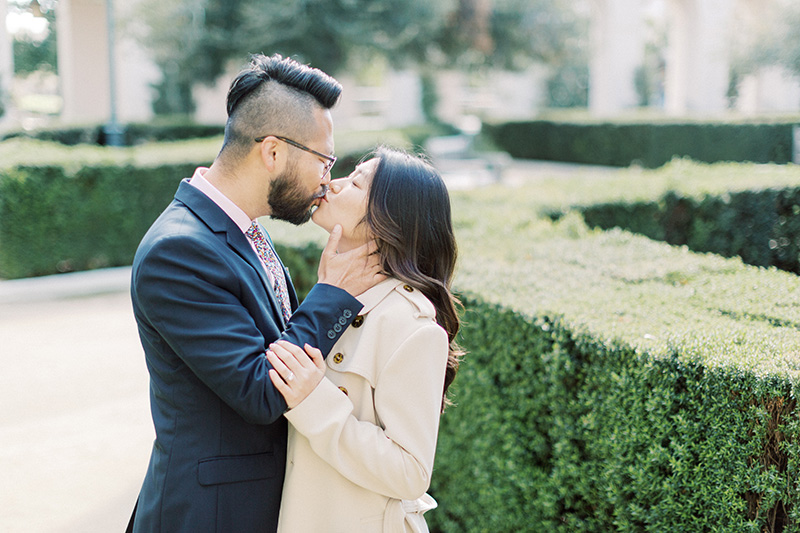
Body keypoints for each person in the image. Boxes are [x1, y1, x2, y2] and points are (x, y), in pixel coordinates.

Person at [128, 54, 382, 532]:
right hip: (211, 516)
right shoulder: (178, 250)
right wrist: (331, 293)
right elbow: (260, 388)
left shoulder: (239, 228)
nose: (327, 178)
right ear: (272, 152)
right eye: (324, 160)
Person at [265, 147, 463, 532]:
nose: (331, 184)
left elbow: (411, 472)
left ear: (388, 219)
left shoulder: (411, 324)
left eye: (355, 182)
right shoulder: (336, 296)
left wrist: (314, 401)